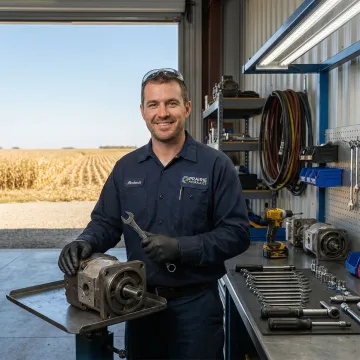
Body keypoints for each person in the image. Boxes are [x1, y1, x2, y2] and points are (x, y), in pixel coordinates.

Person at [58, 68, 251, 359]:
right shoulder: (126, 168)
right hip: (137, 304)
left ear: (186, 107)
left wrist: (181, 248)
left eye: (171, 103)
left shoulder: (215, 165)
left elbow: (237, 234)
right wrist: (85, 242)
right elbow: (106, 221)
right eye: (154, 104)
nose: (163, 113)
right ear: (143, 111)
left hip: (196, 308)